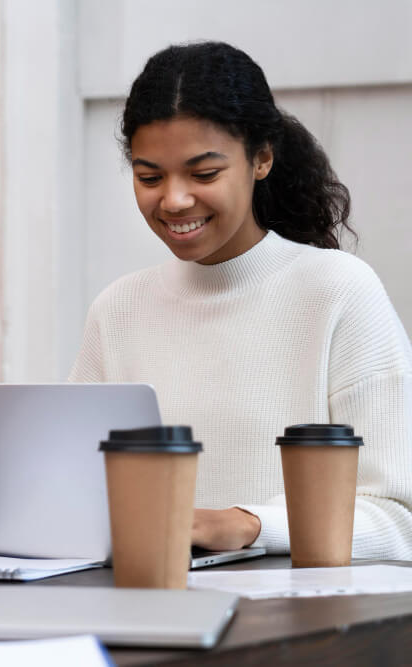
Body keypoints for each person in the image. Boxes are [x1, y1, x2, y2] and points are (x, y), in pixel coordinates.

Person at [69, 41, 412, 559]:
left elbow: (400, 518)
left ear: (262, 159)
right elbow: (70, 492)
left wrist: (251, 525)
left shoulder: (338, 291)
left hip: (300, 626)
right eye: (149, 177)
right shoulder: (118, 309)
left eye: (204, 174)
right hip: (142, 605)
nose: (174, 199)